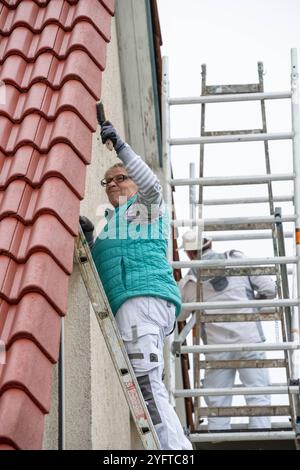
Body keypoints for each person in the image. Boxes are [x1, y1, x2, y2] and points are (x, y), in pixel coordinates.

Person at [81, 120, 192, 450]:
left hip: (143, 301)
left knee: (147, 388)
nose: (113, 184)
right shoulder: (113, 226)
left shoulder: (144, 209)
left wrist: (121, 148)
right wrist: (90, 243)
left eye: (121, 178)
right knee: (150, 388)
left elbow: (153, 186)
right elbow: (104, 268)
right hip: (135, 305)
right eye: (107, 181)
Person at [178, 230, 276, 431]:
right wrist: (251, 304)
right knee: (259, 395)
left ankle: (218, 439)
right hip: (249, 340)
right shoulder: (236, 260)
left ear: (188, 254)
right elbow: (270, 289)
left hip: (217, 348)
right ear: (210, 244)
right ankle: (262, 437)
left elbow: (179, 315)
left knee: (217, 402)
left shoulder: (189, 284)